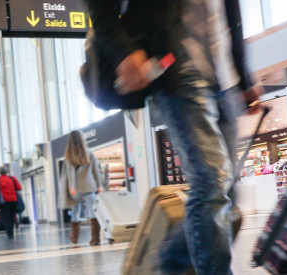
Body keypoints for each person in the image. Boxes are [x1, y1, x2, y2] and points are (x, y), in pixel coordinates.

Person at [84, 0, 261, 273]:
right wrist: (123, 52)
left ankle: (166, 267)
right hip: (174, 69)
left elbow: (230, 15)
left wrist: (243, 78)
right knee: (212, 182)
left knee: (226, 194)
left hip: (223, 76)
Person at [58, 130, 104, 245]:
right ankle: (95, 238)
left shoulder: (69, 155)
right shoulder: (89, 153)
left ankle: (74, 237)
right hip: (89, 186)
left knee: (75, 212)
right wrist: (99, 185)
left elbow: (71, 172)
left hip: (77, 189)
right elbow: (96, 171)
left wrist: (72, 187)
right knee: (93, 212)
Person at [0, 166, 22, 240]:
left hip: (3, 202)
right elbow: (19, 188)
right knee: (12, 216)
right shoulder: (12, 178)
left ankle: (9, 233)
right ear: (6, 171)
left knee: (6, 218)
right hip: (13, 200)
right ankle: (12, 232)